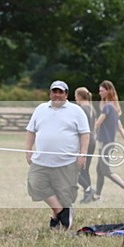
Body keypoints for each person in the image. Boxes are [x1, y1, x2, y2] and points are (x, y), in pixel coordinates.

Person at [25, 80, 90, 230]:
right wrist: (28, 149)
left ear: (66, 94)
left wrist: (83, 154)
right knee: (35, 184)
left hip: (67, 161)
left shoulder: (76, 111)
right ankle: (61, 211)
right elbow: (30, 131)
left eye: (61, 92)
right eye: (54, 91)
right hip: (41, 160)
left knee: (64, 193)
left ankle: (56, 218)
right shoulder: (40, 109)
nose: (57, 95)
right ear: (50, 93)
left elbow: (85, 134)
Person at [90, 80, 124, 202]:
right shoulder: (114, 107)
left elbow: (98, 123)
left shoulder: (107, 107)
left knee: (105, 170)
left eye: (101, 91)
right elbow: (119, 127)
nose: (99, 93)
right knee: (99, 169)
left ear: (108, 91)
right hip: (109, 143)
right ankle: (97, 195)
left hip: (105, 143)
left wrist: (87, 133)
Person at [74, 87, 98, 203]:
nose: (75, 99)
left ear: (79, 96)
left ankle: (88, 189)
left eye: (75, 96)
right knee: (85, 169)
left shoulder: (82, 109)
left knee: (73, 168)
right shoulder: (92, 108)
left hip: (85, 141)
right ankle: (88, 195)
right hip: (92, 140)